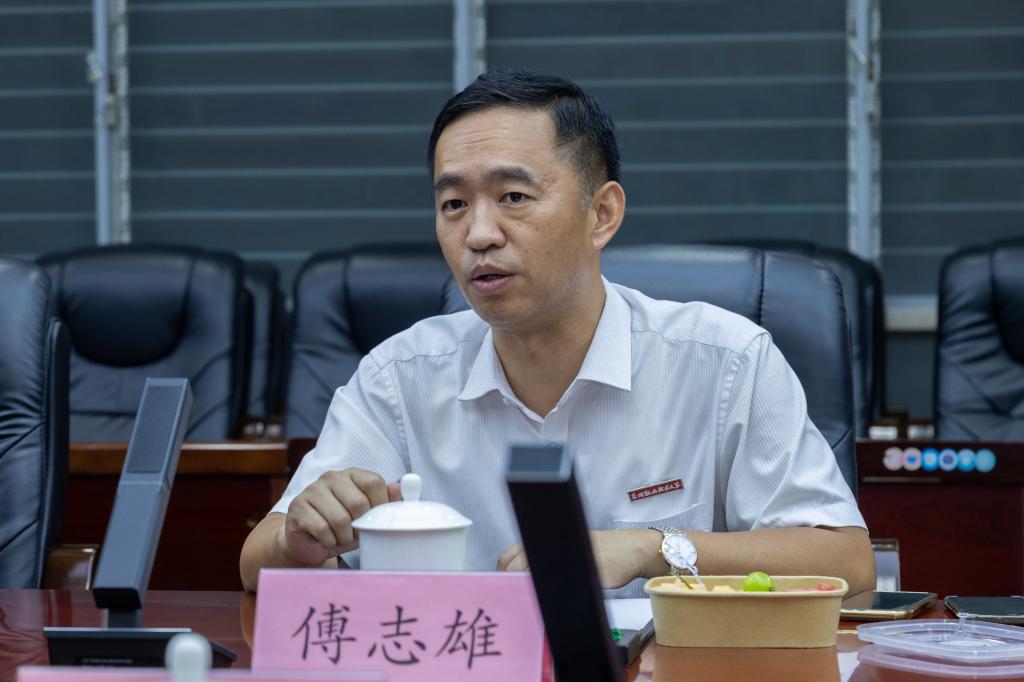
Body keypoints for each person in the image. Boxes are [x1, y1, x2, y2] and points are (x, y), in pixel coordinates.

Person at [240, 70, 875, 595]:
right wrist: (298, 540)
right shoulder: (399, 377)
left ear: (602, 214)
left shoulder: (726, 361)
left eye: (513, 197)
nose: (478, 234)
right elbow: (257, 560)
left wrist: (649, 549)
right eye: (454, 204)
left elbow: (846, 564)